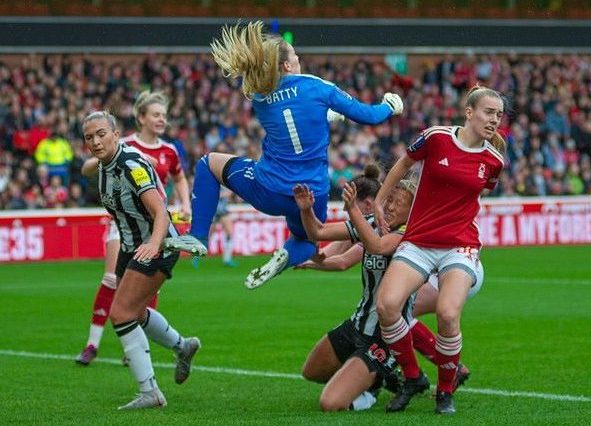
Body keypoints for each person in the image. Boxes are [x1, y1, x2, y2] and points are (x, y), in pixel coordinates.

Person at [163, 20, 404, 289]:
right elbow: (367, 116)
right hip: (311, 193)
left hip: (269, 188)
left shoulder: (259, 95)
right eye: (294, 54)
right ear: (287, 65)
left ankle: (198, 235)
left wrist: (327, 115)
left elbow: (293, 113)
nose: (298, 56)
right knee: (308, 241)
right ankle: (287, 256)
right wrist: (389, 106)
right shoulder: (317, 87)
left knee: (208, 163)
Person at [374, 85, 506, 414]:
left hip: (460, 245)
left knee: (448, 314)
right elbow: (403, 165)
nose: (494, 120)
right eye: (489, 112)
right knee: (387, 305)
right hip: (419, 241)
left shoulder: (493, 160)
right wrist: (378, 201)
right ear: (470, 112)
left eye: (499, 115)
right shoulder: (436, 137)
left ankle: (445, 391)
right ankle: (414, 377)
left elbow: (477, 196)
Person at [81, 110, 201, 410]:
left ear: (116, 134)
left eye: (101, 134)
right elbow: (87, 169)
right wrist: (95, 159)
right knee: (134, 312)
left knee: (120, 313)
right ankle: (182, 346)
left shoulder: (131, 165)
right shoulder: (104, 165)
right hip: (131, 247)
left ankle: (150, 392)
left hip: (155, 245)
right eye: (89, 137)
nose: (95, 141)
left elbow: (160, 212)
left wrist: (154, 243)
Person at [294, 172, 416, 412]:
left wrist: (353, 210)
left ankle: (374, 382)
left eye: (397, 203)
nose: (389, 207)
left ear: (413, 211)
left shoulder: (409, 234)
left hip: (385, 336)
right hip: (359, 323)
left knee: (330, 403)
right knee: (311, 372)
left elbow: (377, 246)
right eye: (388, 200)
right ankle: (367, 376)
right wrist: (306, 210)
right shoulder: (372, 223)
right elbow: (318, 232)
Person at [192, 187, 238, 268]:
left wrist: (226, 193)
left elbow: (230, 192)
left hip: (223, 210)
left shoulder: (225, 180)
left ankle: (227, 259)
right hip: (213, 210)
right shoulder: (212, 180)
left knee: (230, 233)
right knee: (207, 236)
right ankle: (197, 256)